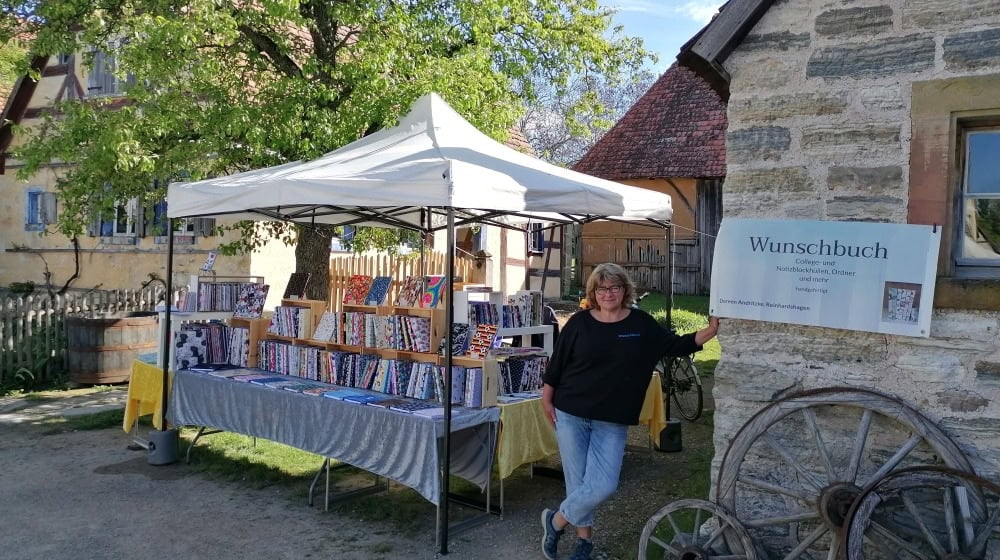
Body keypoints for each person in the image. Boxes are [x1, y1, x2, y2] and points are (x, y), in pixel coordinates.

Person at [539, 263, 720, 560]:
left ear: (624, 290)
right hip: (571, 411)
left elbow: (676, 345)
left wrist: (711, 330)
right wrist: (547, 399)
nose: (608, 293)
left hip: (612, 418)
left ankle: (556, 521)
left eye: (614, 287)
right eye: (602, 288)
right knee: (578, 481)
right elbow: (557, 364)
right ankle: (584, 544)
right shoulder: (579, 323)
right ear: (593, 292)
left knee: (604, 484)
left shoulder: (640, 324)